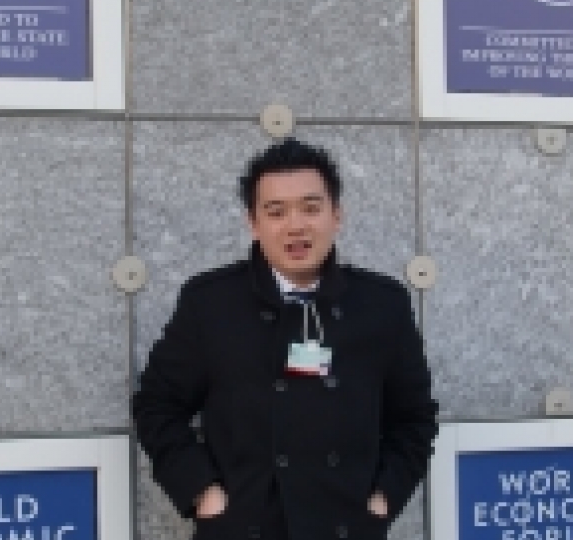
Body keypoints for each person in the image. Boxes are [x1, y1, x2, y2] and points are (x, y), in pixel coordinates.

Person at [132, 138, 438, 540]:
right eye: (276, 212)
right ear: (253, 223)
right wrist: (203, 494)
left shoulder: (383, 305)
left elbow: (414, 419)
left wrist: (383, 499)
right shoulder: (210, 303)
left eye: (311, 208)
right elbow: (157, 406)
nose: (296, 225)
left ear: (336, 215)